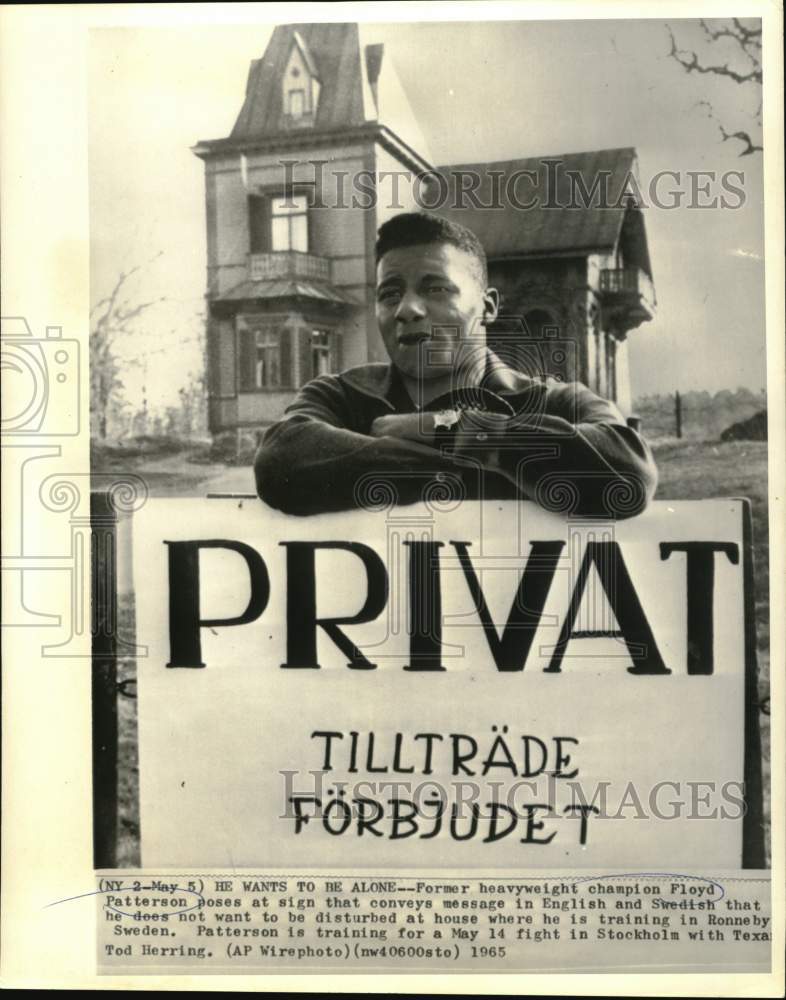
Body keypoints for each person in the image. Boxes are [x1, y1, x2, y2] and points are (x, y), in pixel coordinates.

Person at [254, 211, 657, 518]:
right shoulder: (340, 396)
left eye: (436, 288)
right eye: (390, 294)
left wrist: (449, 430)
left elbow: (629, 470)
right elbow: (280, 461)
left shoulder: (558, 401)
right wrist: (489, 466)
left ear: (488, 306)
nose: (407, 309)